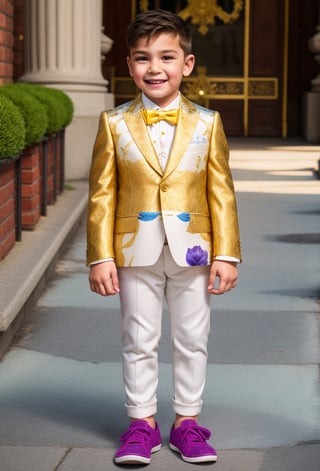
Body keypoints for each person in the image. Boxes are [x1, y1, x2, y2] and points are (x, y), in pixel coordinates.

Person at [87, 8, 241, 465]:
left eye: (166, 57)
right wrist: (99, 256)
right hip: (133, 249)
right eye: (142, 58)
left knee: (193, 336)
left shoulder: (208, 123)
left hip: (195, 248)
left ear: (187, 64)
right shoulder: (113, 123)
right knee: (138, 335)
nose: (154, 68)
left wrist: (227, 253)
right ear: (129, 65)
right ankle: (141, 424)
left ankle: (187, 423)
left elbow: (222, 193)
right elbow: (101, 193)